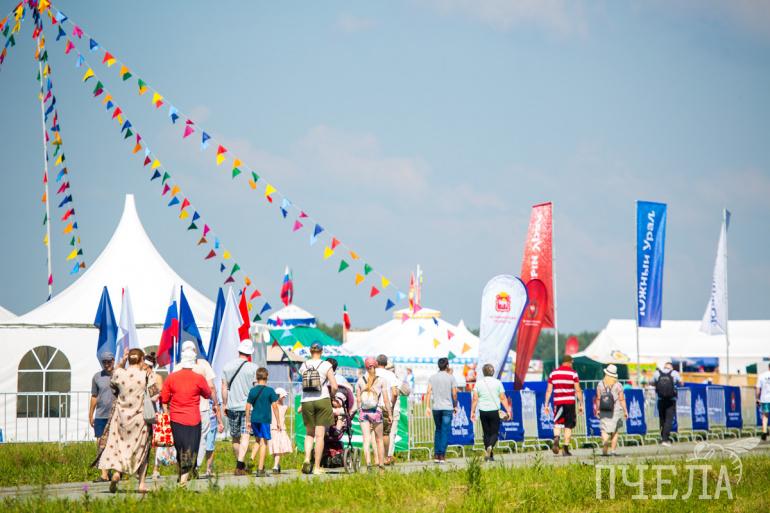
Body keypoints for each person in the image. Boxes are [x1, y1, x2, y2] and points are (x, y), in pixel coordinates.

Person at [93, 349, 157, 494]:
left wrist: (122, 361)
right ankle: (141, 484)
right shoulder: (146, 375)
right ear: (142, 360)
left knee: (121, 448)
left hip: (121, 418)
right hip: (140, 419)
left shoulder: (120, 373)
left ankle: (117, 472)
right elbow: (154, 396)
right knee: (143, 450)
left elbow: (113, 384)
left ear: (129, 360)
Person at [160, 348, 212, 486]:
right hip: (193, 419)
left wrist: (166, 413)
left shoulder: (171, 377)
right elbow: (207, 393)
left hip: (176, 419)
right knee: (191, 449)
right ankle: (183, 481)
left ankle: (181, 474)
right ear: (193, 362)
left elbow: (164, 398)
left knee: (180, 448)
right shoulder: (198, 378)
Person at [173, 340, 223, 475]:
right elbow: (211, 387)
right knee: (201, 438)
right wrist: (216, 404)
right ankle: (195, 465)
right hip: (202, 407)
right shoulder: (203, 364)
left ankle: (184, 465)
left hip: (181, 409)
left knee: (184, 438)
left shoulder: (177, 367)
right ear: (195, 352)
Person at [298, 342, 338, 475]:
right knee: (320, 436)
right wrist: (332, 397)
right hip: (322, 400)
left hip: (306, 401)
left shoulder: (304, 365)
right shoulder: (326, 365)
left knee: (309, 433)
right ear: (321, 351)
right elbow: (335, 386)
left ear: (310, 351)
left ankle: (306, 458)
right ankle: (316, 467)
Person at [221, 340, 259, 476]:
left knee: (235, 437)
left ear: (239, 351)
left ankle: (240, 464)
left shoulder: (227, 367)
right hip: (248, 407)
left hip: (232, 406)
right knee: (245, 435)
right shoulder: (254, 368)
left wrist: (224, 404)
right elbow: (256, 389)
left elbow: (224, 388)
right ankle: (240, 464)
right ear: (250, 353)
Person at [470, 363, 512, 462]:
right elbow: (503, 398)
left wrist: (472, 412)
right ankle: (490, 447)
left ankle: (489, 455)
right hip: (494, 411)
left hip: (483, 411)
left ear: (483, 372)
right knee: (494, 433)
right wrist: (508, 410)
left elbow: (475, 398)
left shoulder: (478, 383)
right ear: (493, 372)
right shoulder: (498, 383)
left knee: (486, 433)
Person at [544, 355, 584, 457]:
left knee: (557, 424)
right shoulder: (573, 373)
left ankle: (556, 438)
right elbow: (578, 390)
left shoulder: (553, 373)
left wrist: (546, 405)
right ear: (569, 362)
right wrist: (581, 404)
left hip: (558, 403)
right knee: (568, 426)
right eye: (571, 363)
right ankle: (565, 449)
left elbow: (549, 390)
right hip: (570, 403)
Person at [357, 357, 391, 470]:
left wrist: (359, 411)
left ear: (366, 367)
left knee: (366, 439)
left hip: (364, 412)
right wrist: (389, 413)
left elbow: (358, 399)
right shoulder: (381, 380)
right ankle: (381, 464)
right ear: (375, 366)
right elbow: (386, 399)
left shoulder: (360, 380)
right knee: (379, 439)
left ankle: (368, 463)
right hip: (376, 412)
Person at [245, 367, 279, 477]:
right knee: (264, 443)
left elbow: (247, 406)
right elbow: (275, 406)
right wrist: (278, 421)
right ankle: (260, 469)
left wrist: (247, 420)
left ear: (256, 377)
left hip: (254, 419)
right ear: (267, 376)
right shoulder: (270, 391)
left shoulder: (252, 390)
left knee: (257, 440)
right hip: (265, 419)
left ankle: (251, 459)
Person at [424, 357, 457, 464]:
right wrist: (455, 405)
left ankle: (436, 455)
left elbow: (428, 392)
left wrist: (427, 406)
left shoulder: (432, 377)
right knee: (444, 431)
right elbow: (454, 393)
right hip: (447, 407)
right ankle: (442, 455)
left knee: (438, 430)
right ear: (447, 366)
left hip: (436, 407)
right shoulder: (451, 377)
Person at [89, 351, 115, 483]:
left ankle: (113, 470)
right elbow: (94, 396)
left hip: (115, 415)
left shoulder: (119, 375)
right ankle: (104, 474)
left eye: (109, 361)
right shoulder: (97, 377)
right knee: (100, 443)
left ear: (113, 361)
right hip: (100, 415)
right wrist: (90, 414)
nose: (107, 364)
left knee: (113, 444)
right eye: (104, 362)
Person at [594, 364, 628, 456]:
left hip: (604, 409)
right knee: (615, 431)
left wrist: (597, 409)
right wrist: (625, 410)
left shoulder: (600, 384)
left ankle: (605, 450)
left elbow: (598, 398)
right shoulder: (618, 385)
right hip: (616, 410)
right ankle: (613, 451)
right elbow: (621, 399)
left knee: (604, 430)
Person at [375, 354, 400, 465]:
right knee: (386, 434)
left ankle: (376, 458)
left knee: (375, 434)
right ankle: (385, 457)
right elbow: (395, 393)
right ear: (386, 364)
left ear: (376, 362)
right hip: (386, 407)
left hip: (372, 407)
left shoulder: (371, 373)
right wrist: (391, 405)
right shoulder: (391, 375)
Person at [651, 361, 682, 447]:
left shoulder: (657, 373)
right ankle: (665, 439)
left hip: (660, 399)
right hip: (671, 400)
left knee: (662, 419)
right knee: (669, 420)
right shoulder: (674, 373)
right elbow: (681, 382)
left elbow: (651, 382)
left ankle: (662, 437)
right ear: (671, 367)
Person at [268, 387, 292, 474]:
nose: (284, 399)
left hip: (273, 429)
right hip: (279, 430)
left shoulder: (270, 406)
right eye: (283, 397)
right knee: (277, 449)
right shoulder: (284, 407)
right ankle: (276, 465)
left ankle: (276, 465)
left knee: (276, 449)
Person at [756, 362, 770, 441]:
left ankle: (764, 432)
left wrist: (757, 398)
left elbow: (758, 389)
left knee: (765, 416)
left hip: (765, 399)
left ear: (768, 367)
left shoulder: (762, 376)